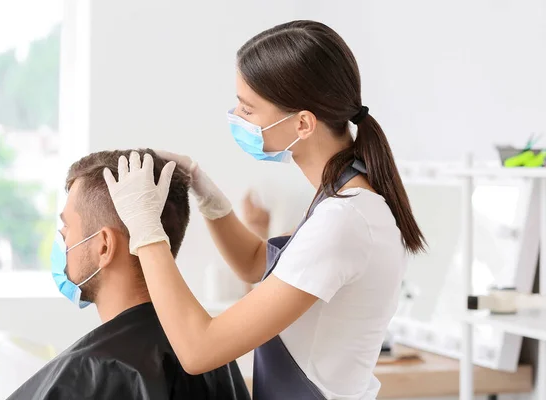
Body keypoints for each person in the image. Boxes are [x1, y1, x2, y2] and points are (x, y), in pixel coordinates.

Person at [104, 20, 425, 400]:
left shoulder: (344, 221)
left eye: (248, 109)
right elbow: (258, 263)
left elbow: (199, 349)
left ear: (303, 123)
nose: (236, 117)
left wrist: (146, 232)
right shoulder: (341, 199)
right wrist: (209, 198)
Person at [8, 149, 251, 400]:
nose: (61, 240)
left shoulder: (92, 372)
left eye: (67, 227)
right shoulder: (218, 357)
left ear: (104, 245)